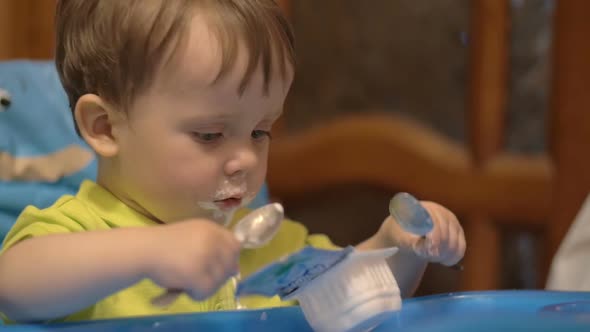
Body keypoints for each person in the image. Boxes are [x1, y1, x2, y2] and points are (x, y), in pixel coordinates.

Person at [0, 0, 465, 323]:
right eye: (210, 134)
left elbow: (357, 298)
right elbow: (15, 286)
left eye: (260, 131)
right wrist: (148, 253)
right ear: (105, 126)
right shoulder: (76, 232)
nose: (244, 158)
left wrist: (398, 246)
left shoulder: (265, 244)